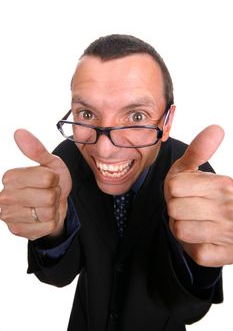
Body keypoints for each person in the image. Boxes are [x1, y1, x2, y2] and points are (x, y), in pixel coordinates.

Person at [0, 34, 232, 331]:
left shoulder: (195, 178)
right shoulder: (64, 164)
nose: (104, 150)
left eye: (136, 115)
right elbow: (58, 276)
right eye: (86, 114)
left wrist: (192, 256)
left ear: (167, 121)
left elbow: (189, 310)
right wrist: (53, 230)